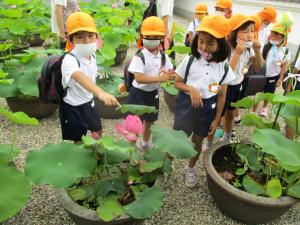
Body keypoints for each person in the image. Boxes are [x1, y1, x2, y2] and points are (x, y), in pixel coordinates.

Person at [173, 15, 236, 188]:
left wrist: (217, 119)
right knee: (176, 138)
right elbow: (176, 82)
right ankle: (165, 166)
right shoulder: (190, 60)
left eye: (210, 43)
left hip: (208, 108)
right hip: (187, 104)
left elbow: (221, 95)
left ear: (221, 44)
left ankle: (190, 169)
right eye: (201, 41)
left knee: (198, 141)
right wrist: (191, 89)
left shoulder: (223, 66)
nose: (204, 46)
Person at [59, 12, 120, 143]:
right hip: (73, 106)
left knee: (98, 131)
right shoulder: (69, 59)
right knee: (78, 139)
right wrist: (100, 92)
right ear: (71, 39)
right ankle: (81, 158)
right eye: (80, 37)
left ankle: (96, 153)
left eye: (91, 36)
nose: (86, 41)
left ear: (97, 37)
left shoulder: (92, 55)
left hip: (89, 101)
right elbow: (79, 76)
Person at [126, 16, 175, 149]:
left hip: (152, 93)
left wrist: (173, 78)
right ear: (142, 37)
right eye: (148, 37)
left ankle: (146, 143)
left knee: (150, 120)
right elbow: (139, 78)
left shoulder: (164, 57)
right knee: (135, 123)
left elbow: (171, 73)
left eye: (155, 37)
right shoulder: (139, 56)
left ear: (161, 38)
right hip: (137, 94)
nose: (151, 40)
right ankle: (132, 147)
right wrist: (161, 78)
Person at [222, 14, 264, 142]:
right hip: (225, 87)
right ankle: (217, 135)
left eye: (252, 31)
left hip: (237, 85)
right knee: (221, 113)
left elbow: (259, 66)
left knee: (231, 112)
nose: (250, 35)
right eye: (245, 31)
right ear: (234, 33)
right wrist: (238, 53)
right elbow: (226, 73)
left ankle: (227, 136)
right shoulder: (227, 48)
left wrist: (257, 51)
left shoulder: (248, 48)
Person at [257, 23, 291, 117]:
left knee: (269, 93)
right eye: (272, 33)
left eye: (276, 34)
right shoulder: (265, 46)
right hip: (262, 74)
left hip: (273, 75)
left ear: (283, 37)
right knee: (258, 91)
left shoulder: (286, 50)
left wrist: (280, 78)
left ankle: (264, 108)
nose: (273, 35)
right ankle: (254, 107)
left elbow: (284, 66)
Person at [285, 56, 300, 139]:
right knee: (293, 117)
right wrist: (288, 88)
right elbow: (293, 73)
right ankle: (288, 141)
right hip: (298, 87)